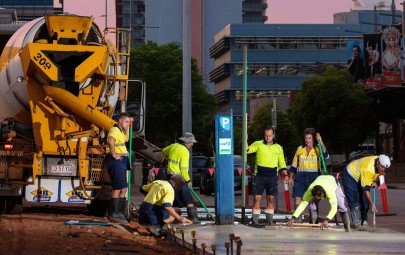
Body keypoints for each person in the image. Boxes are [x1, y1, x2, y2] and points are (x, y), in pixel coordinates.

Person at [247, 126, 288, 226]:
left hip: (272, 176)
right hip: (259, 176)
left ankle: (270, 221)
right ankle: (255, 221)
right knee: (257, 198)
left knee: (270, 199)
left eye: (270, 135)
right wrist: (245, 139)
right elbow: (247, 150)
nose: (268, 138)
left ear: (273, 135)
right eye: (266, 136)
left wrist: (285, 175)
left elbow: (282, 163)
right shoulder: (258, 143)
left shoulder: (278, 147)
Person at [288, 128, 328, 224]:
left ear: (313, 139)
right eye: (306, 138)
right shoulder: (299, 149)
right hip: (300, 177)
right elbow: (294, 165)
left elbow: (326, 155)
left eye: (309, 138)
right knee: (297, 198)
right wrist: (290, 177)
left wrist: (321, 141)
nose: (307, 140)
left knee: (313, 199)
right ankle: (298, 219)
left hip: (313, 177)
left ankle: (313, 221)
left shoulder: (317, 148)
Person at [341, 154, 391, 228]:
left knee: (365, 202)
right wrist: (372, 204)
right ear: (378, 163)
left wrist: (376, 182)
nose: (383, 169)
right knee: (355, 199)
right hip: (350, 175)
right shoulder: (368, 169)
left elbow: (381, 178)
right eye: (382, 167)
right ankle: (357, 223)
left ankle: (364, 220)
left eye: (385, 168)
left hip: (361, 175)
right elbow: (366, 190)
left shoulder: (380, 161)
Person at [162, 132, 200, 223]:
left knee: (173, 197)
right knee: (188, 197)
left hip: (170, 176)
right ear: (186, 142)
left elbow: (163, 151)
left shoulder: (173, 146)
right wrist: (188, 180)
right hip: (179, 177)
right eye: (191, 142)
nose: (191, 144)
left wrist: (167, 158)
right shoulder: (185, 152)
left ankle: (173, 217)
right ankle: (193, 218)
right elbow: (184, 169)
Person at [105, 112, 133, 224]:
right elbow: (110, 141)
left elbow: (126, 139)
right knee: (117, 188)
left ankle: (120, 212)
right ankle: (114, 213)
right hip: (116, 161)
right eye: (126, 121)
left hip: (122, 161)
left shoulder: (120, 131)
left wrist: (130, 126)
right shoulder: (114, 130)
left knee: (124, 189)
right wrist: (113, 154)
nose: (127, 123)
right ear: (120, 121)